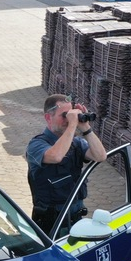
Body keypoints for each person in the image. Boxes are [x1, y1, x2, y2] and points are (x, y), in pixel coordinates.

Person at [26, 94, 108, 236]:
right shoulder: (37, 144)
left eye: (70, 115)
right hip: (51, 224)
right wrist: (72, 125)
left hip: (76, 219)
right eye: (64, 115)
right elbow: (56, 156)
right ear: (48, 117)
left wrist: (85, 127)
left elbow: (100, 156)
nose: (68, 119)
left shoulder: (76, 143)